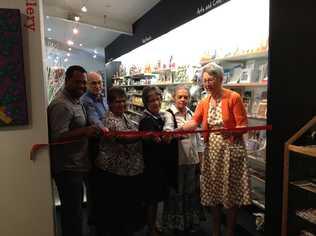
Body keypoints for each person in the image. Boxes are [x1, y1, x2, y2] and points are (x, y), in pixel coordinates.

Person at [181, 63, 252, 236]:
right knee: (213, 192)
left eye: (210, 80)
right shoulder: (204, 101)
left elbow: (243, 126)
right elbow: (194, 121)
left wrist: (230, 131)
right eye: (204, 80)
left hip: (231, 150)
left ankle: (229, 231)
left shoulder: (233, 97)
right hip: (212, 151)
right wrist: (179, 129)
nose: (207, 83)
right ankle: (215, 230)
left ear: (220, 79)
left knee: (231, 192)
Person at [48, 65, 100, 236]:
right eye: (78, 82)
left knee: (76, 212)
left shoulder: (76, 100)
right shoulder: (61, 105)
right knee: (73, 214)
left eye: (84, 83)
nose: (82, 87)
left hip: (78, 164)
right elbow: (57, 137)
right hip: (68, 169)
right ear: (67, 80)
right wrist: (85, 131)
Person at [94, 87, 144, 236]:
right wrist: (144, 135)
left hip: (127, 170)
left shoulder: (124, 116)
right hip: (115, 171)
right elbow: (122, 138)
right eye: (117, 102)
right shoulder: (108, 120)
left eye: (123, 101)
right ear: (109, 103)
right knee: (117, 208)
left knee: (126, 207)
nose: (121, 105)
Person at [162, 85, 205, 235]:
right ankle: (177, 224)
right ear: (174, 98)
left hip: (192, 161)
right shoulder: (168, 114)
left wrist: (200, 159)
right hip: (178, 161)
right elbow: (167, 134)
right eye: (180, 97)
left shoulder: (192, 114)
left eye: (186, 97)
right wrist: (177, 132)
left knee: (191, 192)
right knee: (177, 193)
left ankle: (189, 221)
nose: (183, 99)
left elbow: (198, 139)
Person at [139, 86, 178, 236]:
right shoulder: (147, 120)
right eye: (151, 100)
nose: (156, 103)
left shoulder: (159, 117)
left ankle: (154, 226)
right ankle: (151, 229)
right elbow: (157, 142)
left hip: (159, 166)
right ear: (145, 103)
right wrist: (171, 138)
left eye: (158, 99)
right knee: (152, 199)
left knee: (156, 198)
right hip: (152, 167)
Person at [80, 72, 108, 226]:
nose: (97, 86)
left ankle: (101, 215)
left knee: (101, 183)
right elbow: (95, 121)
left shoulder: (103, 98)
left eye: (99, 82)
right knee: (93, 184)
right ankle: (94, 219)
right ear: (87, 84)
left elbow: (108, 116)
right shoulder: (86, 100)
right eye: (93, 83)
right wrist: (109, 131)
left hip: (104, 146)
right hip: (93, 147)